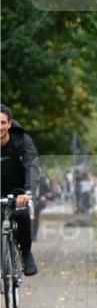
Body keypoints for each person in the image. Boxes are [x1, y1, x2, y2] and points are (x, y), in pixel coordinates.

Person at [0, 104, 39, 276]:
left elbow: (31, 166)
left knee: (22, 215)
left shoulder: (22, 141)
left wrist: (27, 192)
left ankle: (26, 253)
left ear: (9, 124)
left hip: (19, 190)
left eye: (2, 122)